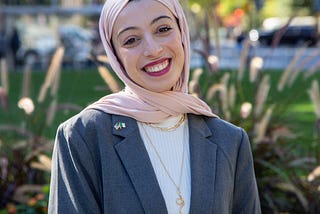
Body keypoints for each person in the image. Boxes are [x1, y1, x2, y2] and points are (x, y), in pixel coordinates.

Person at [48, 0, 261, 213]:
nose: (153, 49)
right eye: (131, 40)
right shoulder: (83, 137)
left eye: (163, 29)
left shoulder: (230, 141)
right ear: (115, 55)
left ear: (181, 32)